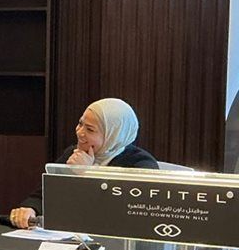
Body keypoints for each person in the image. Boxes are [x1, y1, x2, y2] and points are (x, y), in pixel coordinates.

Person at [9, 97, 158, 229]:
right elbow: (43, 194)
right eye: (80, 123)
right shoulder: (73, 153)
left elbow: (129, 213)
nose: (79, 132)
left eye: (90, 130)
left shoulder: (141, 164)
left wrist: (88, 174)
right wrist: (30, 209)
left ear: (113, 135)